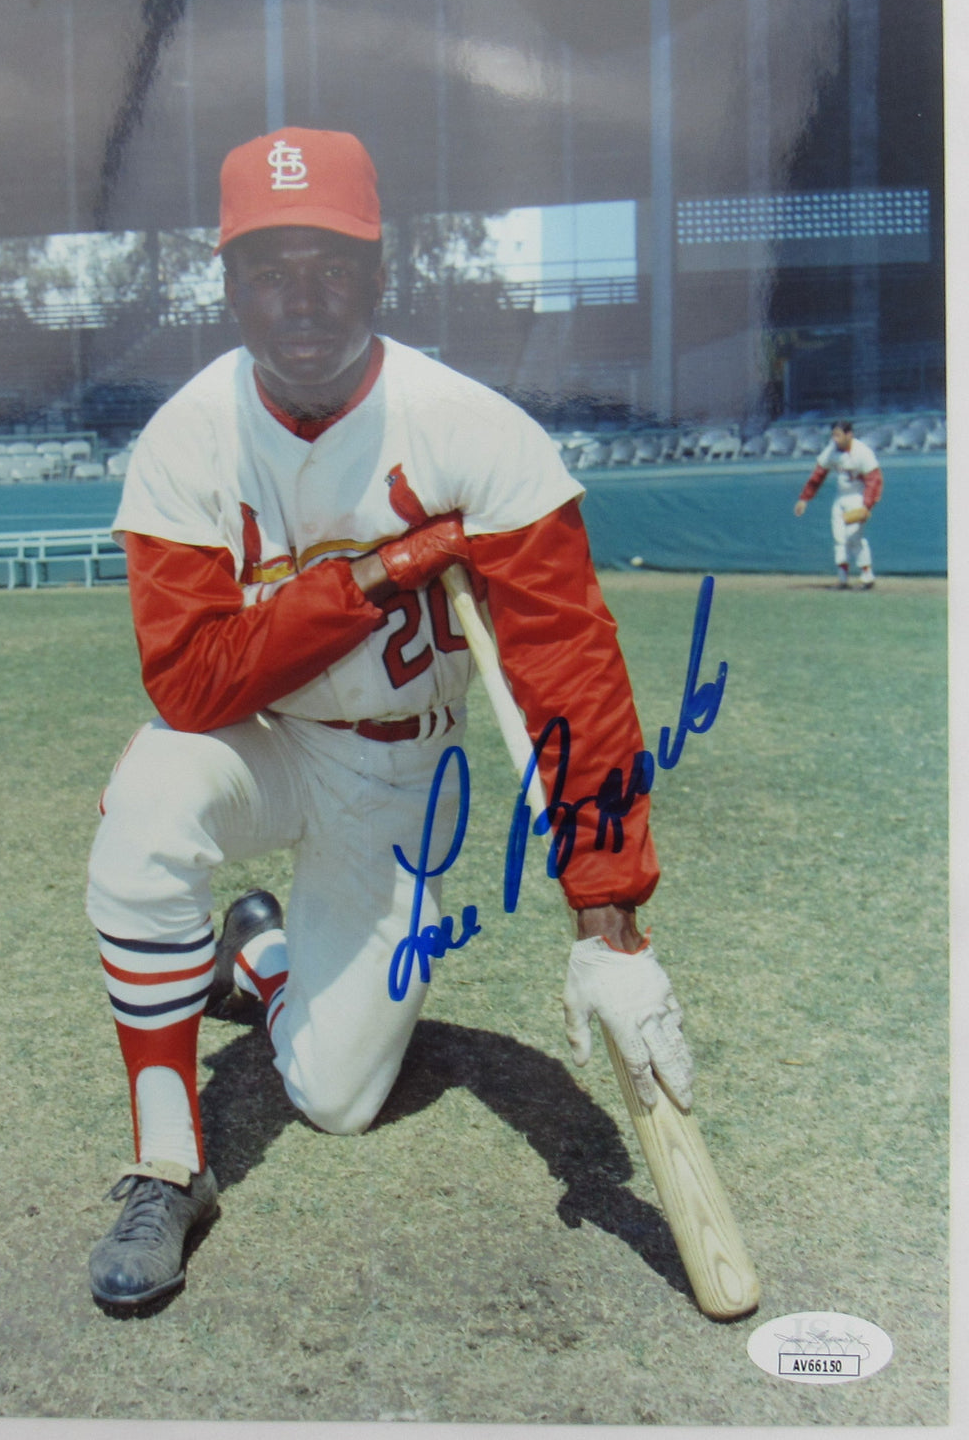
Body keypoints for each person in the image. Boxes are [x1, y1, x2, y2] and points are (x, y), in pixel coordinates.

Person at [83, 127, 696, 1312]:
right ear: (229, 285)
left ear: (381, 274)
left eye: (329, 266)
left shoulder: (477, 432)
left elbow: (573, 679)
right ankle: (169, 1166)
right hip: (253, 740)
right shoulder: (185, 438)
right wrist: (368, 578)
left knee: (337, 1097)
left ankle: (259, 957)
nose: (300, 300)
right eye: (269, 269)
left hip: (401, 770)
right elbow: (192, 687)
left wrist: (611, 923)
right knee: (153, 800)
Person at [792, 420, 883, 589]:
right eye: (833, 435)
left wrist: (867, 505)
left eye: (838, 435)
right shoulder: (832, 450)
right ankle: (842, 578)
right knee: (839, 538)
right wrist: (804, 498)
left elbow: (874, 480)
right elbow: (818, 475)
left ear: (849, 435)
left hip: (857, 497)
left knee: (854, 537)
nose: (835, 439)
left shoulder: (862, 452)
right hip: (841, 497)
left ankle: (867, 576)